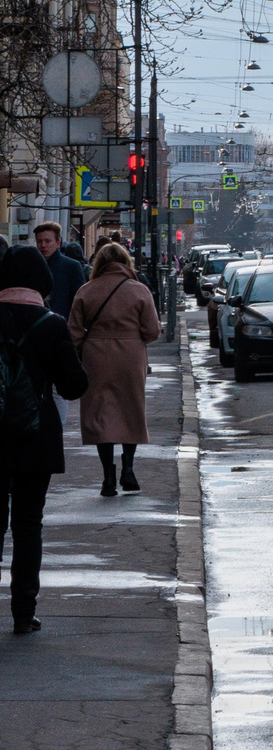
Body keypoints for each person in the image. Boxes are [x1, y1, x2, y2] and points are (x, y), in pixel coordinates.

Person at [1, 243, 90, 634]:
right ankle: (23, 612)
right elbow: (73, 388)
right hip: (34, 438)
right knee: (27, 525)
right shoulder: (51, 324)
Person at [68, 243, 157, 498]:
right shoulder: (139, 291)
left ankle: (108, 476)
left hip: (96, 357)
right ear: (126, 262)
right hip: (131, 355)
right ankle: (128, 469)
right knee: (131, 409)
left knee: (99, 414)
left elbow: (73, 331)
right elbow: (152, 331)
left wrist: (87, 345)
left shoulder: (87, 290)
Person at [27, 226, 84, 322]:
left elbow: (78, 301)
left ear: (58, 243)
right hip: (35, 325)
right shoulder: (30, 267)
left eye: (47, 241)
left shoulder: (71, 266)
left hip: (62, 323)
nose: (43, 245)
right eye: (39, 241)